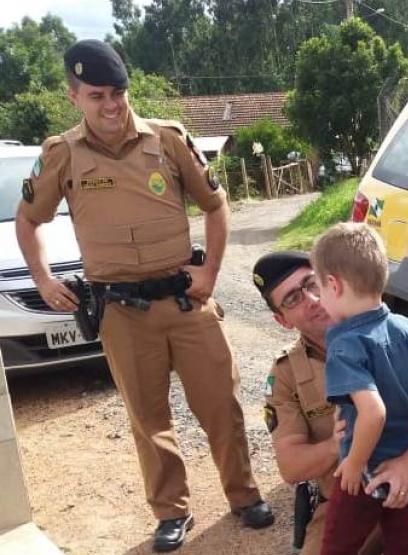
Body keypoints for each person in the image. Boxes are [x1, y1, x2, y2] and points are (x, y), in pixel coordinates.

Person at [14, 39, 273, 552]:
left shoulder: (168, 139)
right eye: (97, 96)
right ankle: (171, 511)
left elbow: (216, 206)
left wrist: (211, 272)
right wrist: (43, 279)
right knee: (148, 419)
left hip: (186, 302)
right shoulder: (61, 154)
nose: (111, 105)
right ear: (73, 96)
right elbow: (28, 220)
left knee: (221, 405)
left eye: (119, 93)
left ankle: (244, 495)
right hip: (121, 311)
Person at [253, 249, 408, 555]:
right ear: (282, 320)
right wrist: (339, 445)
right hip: (344, 496)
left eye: (311, 284)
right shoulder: (286, 374)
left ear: (330, 282)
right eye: (292, 299)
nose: (310, 299)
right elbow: (291, 466)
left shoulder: (391, 335)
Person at [311, 222, 408, 555]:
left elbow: (373, 412)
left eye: (319, 289)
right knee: (402, 546)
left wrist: (354, 463)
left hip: (365, 471)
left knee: (336, 548)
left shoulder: (345, 345)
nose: (319, 299)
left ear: (334, 285)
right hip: (404, 471)